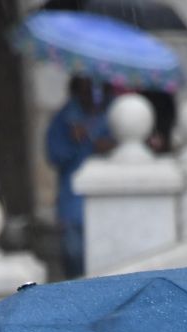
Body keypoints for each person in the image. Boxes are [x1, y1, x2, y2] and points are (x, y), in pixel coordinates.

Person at [45, 77, 115, 279]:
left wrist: (110, 146)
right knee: (74, 254)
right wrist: (74, 140)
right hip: (72, 202)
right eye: (86, 90)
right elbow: (54, 155)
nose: (91, 95)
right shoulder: (65, 119)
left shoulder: (113, 114)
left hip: (107, 198)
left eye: (96, 89)